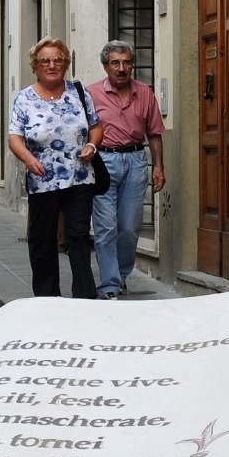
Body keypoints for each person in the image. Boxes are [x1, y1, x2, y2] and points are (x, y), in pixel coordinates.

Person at [7, 37, 103, 299]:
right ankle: (47, 297)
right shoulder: (24, 99)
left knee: (79, 235)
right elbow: (14, 137)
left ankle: (85, 296)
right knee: (43, 238)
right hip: (43, 178)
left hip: (80, 176)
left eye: (58, 60)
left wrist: (92, 147)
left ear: (66, 64)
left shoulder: (79, 92)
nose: (52, 65)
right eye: (45, 61)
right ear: (35, 67)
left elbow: (95, 127)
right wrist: (28, 159)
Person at [87, 41, 167, 300]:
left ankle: (121, 274)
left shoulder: (144, 93)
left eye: (127, 62)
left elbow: (154, 133)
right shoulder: (91, 94)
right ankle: (109, 284)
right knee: (105, 226)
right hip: (103, 161)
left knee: (130, 227)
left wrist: (159, 168)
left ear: (133, 64)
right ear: (105, 66)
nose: (122, 68)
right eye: (115, 63)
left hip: (135, 160)